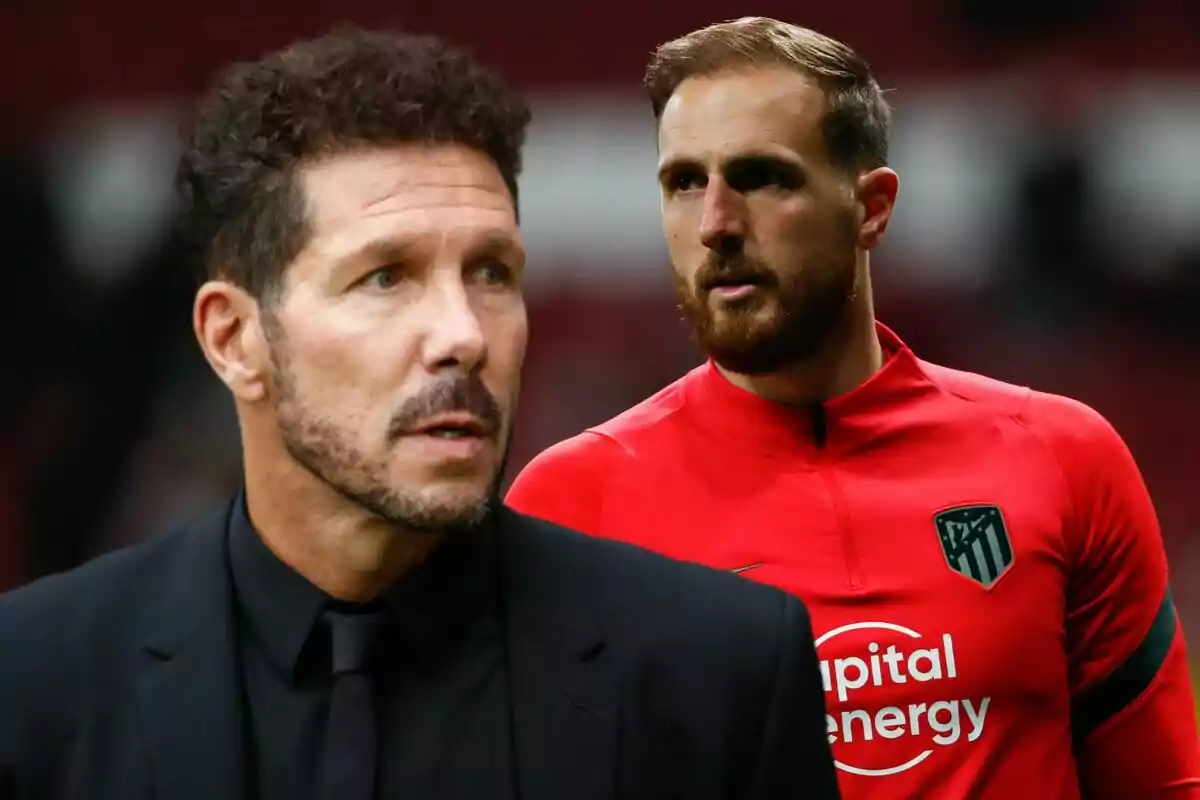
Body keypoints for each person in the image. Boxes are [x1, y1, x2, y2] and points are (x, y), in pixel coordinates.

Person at [0, 27, 842, 800]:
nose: (464, 335)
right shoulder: (32, 680)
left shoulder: (719, 673)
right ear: (235, 339)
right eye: (386, 277)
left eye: (491, 273)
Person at [506, 16, 1200, 800]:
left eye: (763, 177)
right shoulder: (570, 509)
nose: (715, 225)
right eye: (684, 182)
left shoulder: (1065, 460)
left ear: (871, 207)